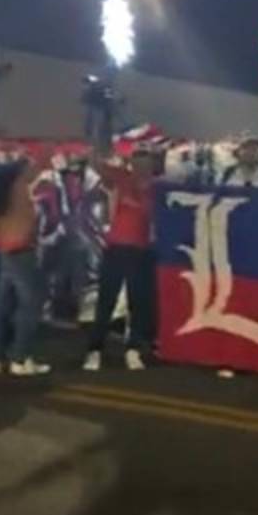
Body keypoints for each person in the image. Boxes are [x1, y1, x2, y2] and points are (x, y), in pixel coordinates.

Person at [84, 147, 158, 372]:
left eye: (145, 165)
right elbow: (95, 162)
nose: (140, 169)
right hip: (116, 248)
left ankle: (133, 350)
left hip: (141, 252)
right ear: (131, 164)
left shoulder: (158, 189)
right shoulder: (121, 178)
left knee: (138, 302)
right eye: (137, 164)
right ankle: (95, 350)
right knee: (106, 300)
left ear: (152, 166)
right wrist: (99, 134)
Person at [0, 160, 49, 376]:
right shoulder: (18, 188)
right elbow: (27, 221)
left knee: (2, 306)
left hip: (3, 251)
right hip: (21, 253)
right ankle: (20, 357)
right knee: (30, 306)